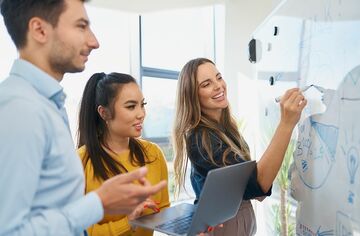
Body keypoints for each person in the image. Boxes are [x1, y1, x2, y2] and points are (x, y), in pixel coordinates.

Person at [0, 1, 166, 235]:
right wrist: (99, 203)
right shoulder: (19, 109)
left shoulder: (47, 105)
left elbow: (49, 212)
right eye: (81, 26)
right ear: (39, 30)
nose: (94, 41)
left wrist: (105, 207)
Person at [173, 58, 307, 235]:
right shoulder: (200, 138)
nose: (218, 86)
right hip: (220, 227)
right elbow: (257, 183)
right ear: (192, 95)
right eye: (206, 84)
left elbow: (252, 186)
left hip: (238, 220)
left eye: (219, 77)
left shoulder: (227, 130)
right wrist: (286, 123)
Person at [77, 72, 170, 235]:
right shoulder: (80, 161)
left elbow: (163, 214)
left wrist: (193, 225)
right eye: (131, 106)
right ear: (104, 112)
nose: (141, 113)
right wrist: (129, 221)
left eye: (143, 104)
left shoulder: (153, 154)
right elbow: (76, 230)